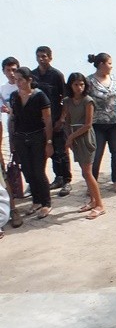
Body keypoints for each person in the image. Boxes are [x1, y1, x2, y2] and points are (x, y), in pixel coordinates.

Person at [60, 72, 105, 219]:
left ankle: (100, 205)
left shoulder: (88, 101)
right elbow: (66, 121)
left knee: (87, 172)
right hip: (74, 137)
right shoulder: (67, 101)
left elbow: (88, 124)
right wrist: (69, 136)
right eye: (75, 84)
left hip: (85, 138)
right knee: (84, 171)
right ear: (70, 85)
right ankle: (92, 201)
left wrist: (71, 137)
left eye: (81, 84)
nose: (79, 87)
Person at [10, 67, 52, 219]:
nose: (18, 82)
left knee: (38, 171)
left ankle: (46, 203)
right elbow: (13, 118)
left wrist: (49, 141)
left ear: (29, 80)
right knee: (27, 171)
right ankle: (36, 201)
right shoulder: (14, 96)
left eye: (20, 79)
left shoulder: (40, 96)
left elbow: (47, 120)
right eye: (16, 79)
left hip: (37, 136)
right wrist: (12, 139)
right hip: (21, 137)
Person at [31, 46, 71, 196]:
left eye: (44, 56)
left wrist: (62, 119)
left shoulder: (56, 75)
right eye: (39, 56)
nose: (41, 59)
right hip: (40, 121)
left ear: (50, 57)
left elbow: (65, 99)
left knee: (61, 150)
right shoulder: (33, 76)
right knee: (49, 151)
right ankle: (58, 178)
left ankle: (66, 180)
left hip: (55, 119)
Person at [86, 53, 116, 193]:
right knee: (96, 154)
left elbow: (115, 98)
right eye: (109, 63)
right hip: (98, 124)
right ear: (101, 64)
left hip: (115, 122)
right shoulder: (89, 81)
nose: (111, 66)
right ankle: (92, 183)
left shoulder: (113, 78)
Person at [0, 57, 23, 230]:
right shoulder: (2, 90)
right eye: (8, 70)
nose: (12, 73)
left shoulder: (23, 85)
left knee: (4, 174)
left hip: (25, 129)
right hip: (13, 129)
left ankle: (14, 209)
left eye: (14, 69)